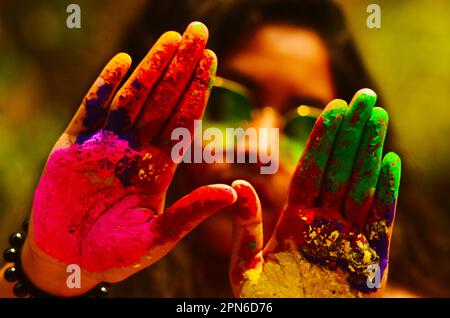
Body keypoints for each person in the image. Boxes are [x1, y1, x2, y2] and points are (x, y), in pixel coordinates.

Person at [1, 0, 448, 297]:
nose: (259, 147)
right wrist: (49, 274)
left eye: (308, 129)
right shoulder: (41, 276)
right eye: (226, 102)